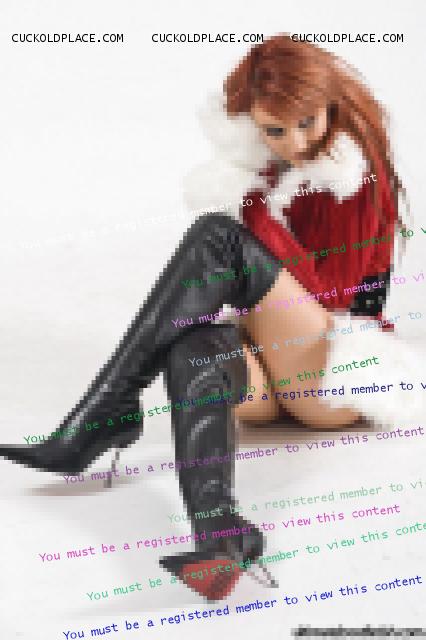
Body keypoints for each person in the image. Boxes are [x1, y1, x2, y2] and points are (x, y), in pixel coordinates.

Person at [0, 35, 411, 601]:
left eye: (307, 123)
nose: (296, 142)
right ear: (249, 124)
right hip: (272, 372)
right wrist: (247, 198)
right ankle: (220, 533)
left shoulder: (356, 170)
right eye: (275, 130)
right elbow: (248, 287)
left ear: (330, 104)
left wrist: (250, 215)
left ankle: (105, 412)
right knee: (194, 347)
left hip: (335, 368)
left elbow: (331, 291)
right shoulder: (260, 165)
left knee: (217, 238)